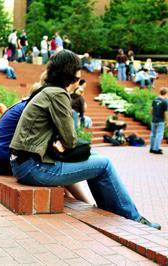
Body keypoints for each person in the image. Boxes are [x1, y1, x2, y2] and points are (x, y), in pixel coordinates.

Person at [9, 49, 161, 230]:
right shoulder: (58, 94)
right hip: (33, 168)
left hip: (22, 164)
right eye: (77, 71)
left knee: (94, 155)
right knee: (104, 164)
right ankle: (134, 219)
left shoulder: (44, 90)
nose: (80, 75)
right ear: (70, 72)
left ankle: (112, 211)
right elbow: (70, 139)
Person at [150, 87, 168, 154]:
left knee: (153, 134)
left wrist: (153, 116)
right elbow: (166, 113)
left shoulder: (154, 100)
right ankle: (156, 149)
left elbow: (151, 110)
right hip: (161, 120)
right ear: (166, 93)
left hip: (154, 120)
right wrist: (167, 121)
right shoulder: (165, 102)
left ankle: (152, 148)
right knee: (159, 135)